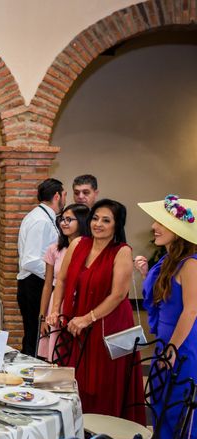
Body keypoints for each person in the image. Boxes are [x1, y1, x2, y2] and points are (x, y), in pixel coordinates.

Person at [46, 199, 145, 423]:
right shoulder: (78, 244)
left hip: (107, 327)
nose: (98, 224)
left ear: (116, 225)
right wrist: (55, 310)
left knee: (102, 385)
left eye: (106, 220)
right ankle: (72, 436)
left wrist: (88, 318)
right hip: (75, 324)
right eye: (95, 218)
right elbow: (60, 280)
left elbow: (118, 295)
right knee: (73, 380)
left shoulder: (121, 252)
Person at [135, 194, 196, 439]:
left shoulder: (191, 263)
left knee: (181, 418)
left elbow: (191, 311)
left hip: (183, 349)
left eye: (161, 222)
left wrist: (171, 351)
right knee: (162, 414)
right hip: (167, 346)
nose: (153, 226)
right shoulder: (171, 260)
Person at [17, 178, 65, 356]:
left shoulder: (43, 217)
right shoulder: (41, 221)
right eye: (64, 194)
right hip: (34, 284)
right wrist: (55, 276)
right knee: (34, 337)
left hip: (37, 283)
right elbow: (30, 261)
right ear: (57, 196)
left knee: (37, 338)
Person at [37, 203, 89, 360]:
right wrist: (43, 317)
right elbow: (47, 285)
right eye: (62, 219)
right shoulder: (54, 249)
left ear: (82, 221)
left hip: (81, 302)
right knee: (56, 353)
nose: (64, 223)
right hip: (57, 302)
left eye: (69, 219)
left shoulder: (90, 250)